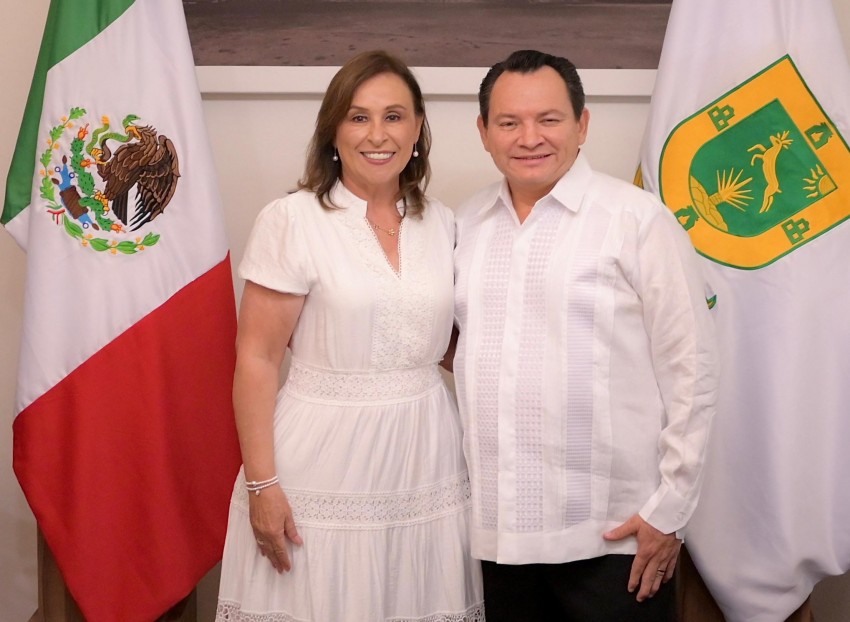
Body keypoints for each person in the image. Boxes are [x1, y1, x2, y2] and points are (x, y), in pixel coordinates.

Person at [216, 50, 484, 622]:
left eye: (394, 116)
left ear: (417, 129)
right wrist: (262, 485)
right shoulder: (292, 220)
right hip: (321, 460)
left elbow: (442, 341)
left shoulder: (442, 222)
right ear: (333, 131)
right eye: (359, 117)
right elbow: (257, 358)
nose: (377, 135)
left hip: (427, 456)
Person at [451, 49, 719, 621]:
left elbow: (693, 371)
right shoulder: (463, 225)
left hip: (617, 538)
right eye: (509, 122)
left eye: (548, 119)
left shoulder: (638, 220)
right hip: (495, 537)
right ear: (483, 131)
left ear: (582, 124)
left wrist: (669, 512)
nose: (529, 138)